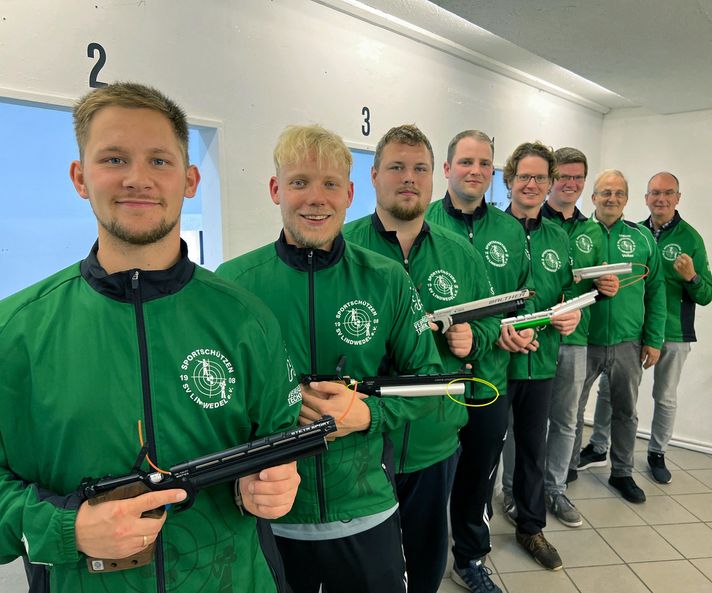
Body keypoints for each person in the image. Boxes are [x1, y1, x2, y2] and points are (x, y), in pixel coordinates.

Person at [0, 82, 302, 593]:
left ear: (190, 179)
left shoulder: (247, 320)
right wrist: (66, 527)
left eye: (159, 161)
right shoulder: (16, 332)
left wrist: (276, 484)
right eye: (114, 158)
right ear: (80, 177)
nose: (137, 178)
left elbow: (278, 444)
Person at [216, 124, 444, 593]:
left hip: (365, 506)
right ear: (276, 189)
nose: (315, 198)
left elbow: (430, 379)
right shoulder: (233, 284)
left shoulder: (385, 279)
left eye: (330, 184)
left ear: (350, 193)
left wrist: (367, 412)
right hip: (270, 514)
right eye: (299, 182)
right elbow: (213, 403)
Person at [344, 124, 500, 593]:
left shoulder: (460, 253)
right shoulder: (343, 249)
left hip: (435, 441)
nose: (408, 178)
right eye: (396, 167)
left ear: (434, 177)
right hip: (362, 444)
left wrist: (476, 337)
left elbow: (491, 320)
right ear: (373, 175)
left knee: (427, 562)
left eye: (419, 168)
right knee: (370, 572)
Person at [425, 130, 534, 593]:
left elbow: (520, 301)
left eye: (484, 164)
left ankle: (468, 558)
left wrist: (516, 329)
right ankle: (420, 561)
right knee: (428, 483)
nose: (475, 170)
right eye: (466, 161)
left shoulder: (510, 231)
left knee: (476, 479)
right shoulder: (423, 223)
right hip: (435, 384)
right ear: (447, 168)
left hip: (490, 379)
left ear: (494, 174)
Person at [580, 172, 712, 484]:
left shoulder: (689, 238)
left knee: (663, 397)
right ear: (645, 198)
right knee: (606, 395)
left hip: (671, 332)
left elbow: (704, 294)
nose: (661, 199)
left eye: (668, 193)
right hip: (616, 333)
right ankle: (598, 447)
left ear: (678, 198)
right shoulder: (636, 233)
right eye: (655, 193)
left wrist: (692, 276)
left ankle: (655, 453)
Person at [496, 141, 579, 570]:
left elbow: (566, 293)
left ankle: (531, 527)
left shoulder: (557, 237)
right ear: (509, 180)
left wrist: (571, 316)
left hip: (541, 362)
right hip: (495, 362)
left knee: (533, 448)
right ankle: (471, 534)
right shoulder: (490, 231)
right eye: (524, 176)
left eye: (540, 178)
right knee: (485, 451)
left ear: (550, 185)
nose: (531, 184)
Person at [537, 147, 619, 526]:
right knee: (526, 423)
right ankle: (517, 491)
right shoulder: (531, 222)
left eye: (578, 177)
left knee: (568, 421)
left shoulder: (591, 230)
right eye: (563, 176)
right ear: (552, 178)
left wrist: (606, 287)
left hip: (576, 339)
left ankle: (555, 490)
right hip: (533, 339)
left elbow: (596, 287)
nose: (570, 183)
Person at [574, 169, 666, 503]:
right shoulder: (578, 234)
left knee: (626, 412)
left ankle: (622, 472)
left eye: (618, 193)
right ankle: (566, 468)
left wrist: (654, 339)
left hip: (628, 342)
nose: (611, 198)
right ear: (593, 197)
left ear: (627, 199)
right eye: (605, 192)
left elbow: (657, 292)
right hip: (583, 340)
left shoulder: (642, 239)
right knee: (572, 409)